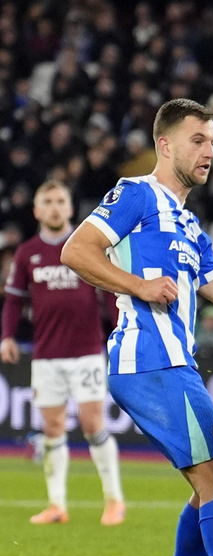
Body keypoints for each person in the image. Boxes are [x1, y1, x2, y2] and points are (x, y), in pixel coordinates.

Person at [61, 99, 213, 556]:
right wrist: (139, 285)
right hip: (150, 360)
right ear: (165, 145)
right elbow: (77, 251)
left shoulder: (189, 226)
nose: (210, 151)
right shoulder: (136, 194)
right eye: (198, 140)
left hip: (173, 362)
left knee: (208, 486)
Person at [2, 180, 124, 526]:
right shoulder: (27, 253)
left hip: (86, 351)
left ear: (70, 208)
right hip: (46, 354)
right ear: (36, 210)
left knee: (92, 422)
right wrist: (7, 336)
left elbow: (110, 292)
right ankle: (57, 505)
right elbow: (14, 300)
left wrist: (119, 330)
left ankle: (114, 500)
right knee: (52, 427)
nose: (55, 208)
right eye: (48, 202)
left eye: (60, 201)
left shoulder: (86, 246)